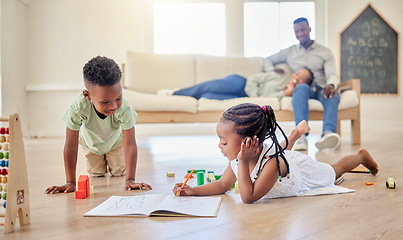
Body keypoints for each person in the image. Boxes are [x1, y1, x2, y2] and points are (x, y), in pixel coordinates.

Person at [173, 103, 378, 204]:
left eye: (224, 142)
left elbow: (248, 197)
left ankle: (361, 156)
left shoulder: (270, 164)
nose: (220, 146)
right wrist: (194, 190)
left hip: (301, 175)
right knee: (280, 149)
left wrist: (243, 163)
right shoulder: (238, 159)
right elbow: (221, 185)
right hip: (277, 156)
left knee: (335, 170)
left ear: (249, 141)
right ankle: (295, 134)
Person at [45, 56, 152, 194]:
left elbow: (130, 144)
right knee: (97, 173)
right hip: (91, 144)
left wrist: (130, 179)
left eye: (118, 98)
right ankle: (99, 162)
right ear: (87, 95)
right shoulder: (78, 108)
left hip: (115, 142)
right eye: (105, 102)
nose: (114, 106)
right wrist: (70, 182)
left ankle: (115, 164)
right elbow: (70, 145)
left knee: (118, 172)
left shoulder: (124, 108)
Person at [264, 17, 340, 151]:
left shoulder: (324, 52)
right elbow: (268, 60)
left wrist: (331, 85)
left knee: (333, 95)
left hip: (322, 87)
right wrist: (272, 70)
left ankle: (328, 134)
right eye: (296, 31)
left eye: (303, 30)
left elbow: (332, 74)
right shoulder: (289, 51)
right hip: (304, 87)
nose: (300, 34)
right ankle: (302, 137)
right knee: (299, 89)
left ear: (309, 29)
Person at [160, 68, 314, 100]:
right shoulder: (279, 75)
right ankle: (175, 93)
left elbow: (268, 99)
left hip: (240, 97)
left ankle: (183, 95)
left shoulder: (290, 96)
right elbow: (254, 78)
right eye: (298, 73)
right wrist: (254, 96)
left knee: (207, 96)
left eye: (302, 78)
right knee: (210, 86)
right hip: (241, 84)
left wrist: (285, 93)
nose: (297, 77)